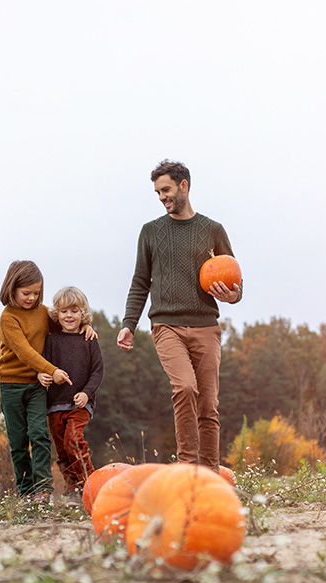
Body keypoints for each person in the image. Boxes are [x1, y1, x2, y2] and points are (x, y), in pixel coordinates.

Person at [117, 160, 242, 471]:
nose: (162, 196)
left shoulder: (212, 230)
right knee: (185, 387)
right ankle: (187, 467)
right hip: (166, 325)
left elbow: (234, 279)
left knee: (208, 404)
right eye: (158, 192)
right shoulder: (150, 232)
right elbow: (140, 281)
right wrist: (128, 324)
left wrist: (234, 295)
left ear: (184, 186)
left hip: (206, 326)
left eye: (166, 190)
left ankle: (210, 474)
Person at [0, 261, 95, 500]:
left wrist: (87, 326)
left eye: (36, 293)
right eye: (26, 293)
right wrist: (52, 369)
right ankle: (25, 490)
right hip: (11, 385)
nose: (31, 298)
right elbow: (24, 352)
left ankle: (43, 489)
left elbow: (67, 322)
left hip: (39, 385)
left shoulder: (43, 313)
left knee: (39, 434)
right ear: (12, 289)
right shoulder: (8, 318)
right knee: (18, 441)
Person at [37, 286, 104, 497]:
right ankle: (72, 489)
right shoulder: (52, 340)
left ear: (82, 313)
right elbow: (44, 364)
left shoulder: (89, 339)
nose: (69, 316)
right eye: (64, 311)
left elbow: (97, 371)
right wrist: (42, 375)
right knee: (63, 450)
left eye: (74, 311)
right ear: (57, 313)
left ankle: (91, 484)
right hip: (55, 404)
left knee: (73, 440)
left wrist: (86, 393)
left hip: (80, 404)